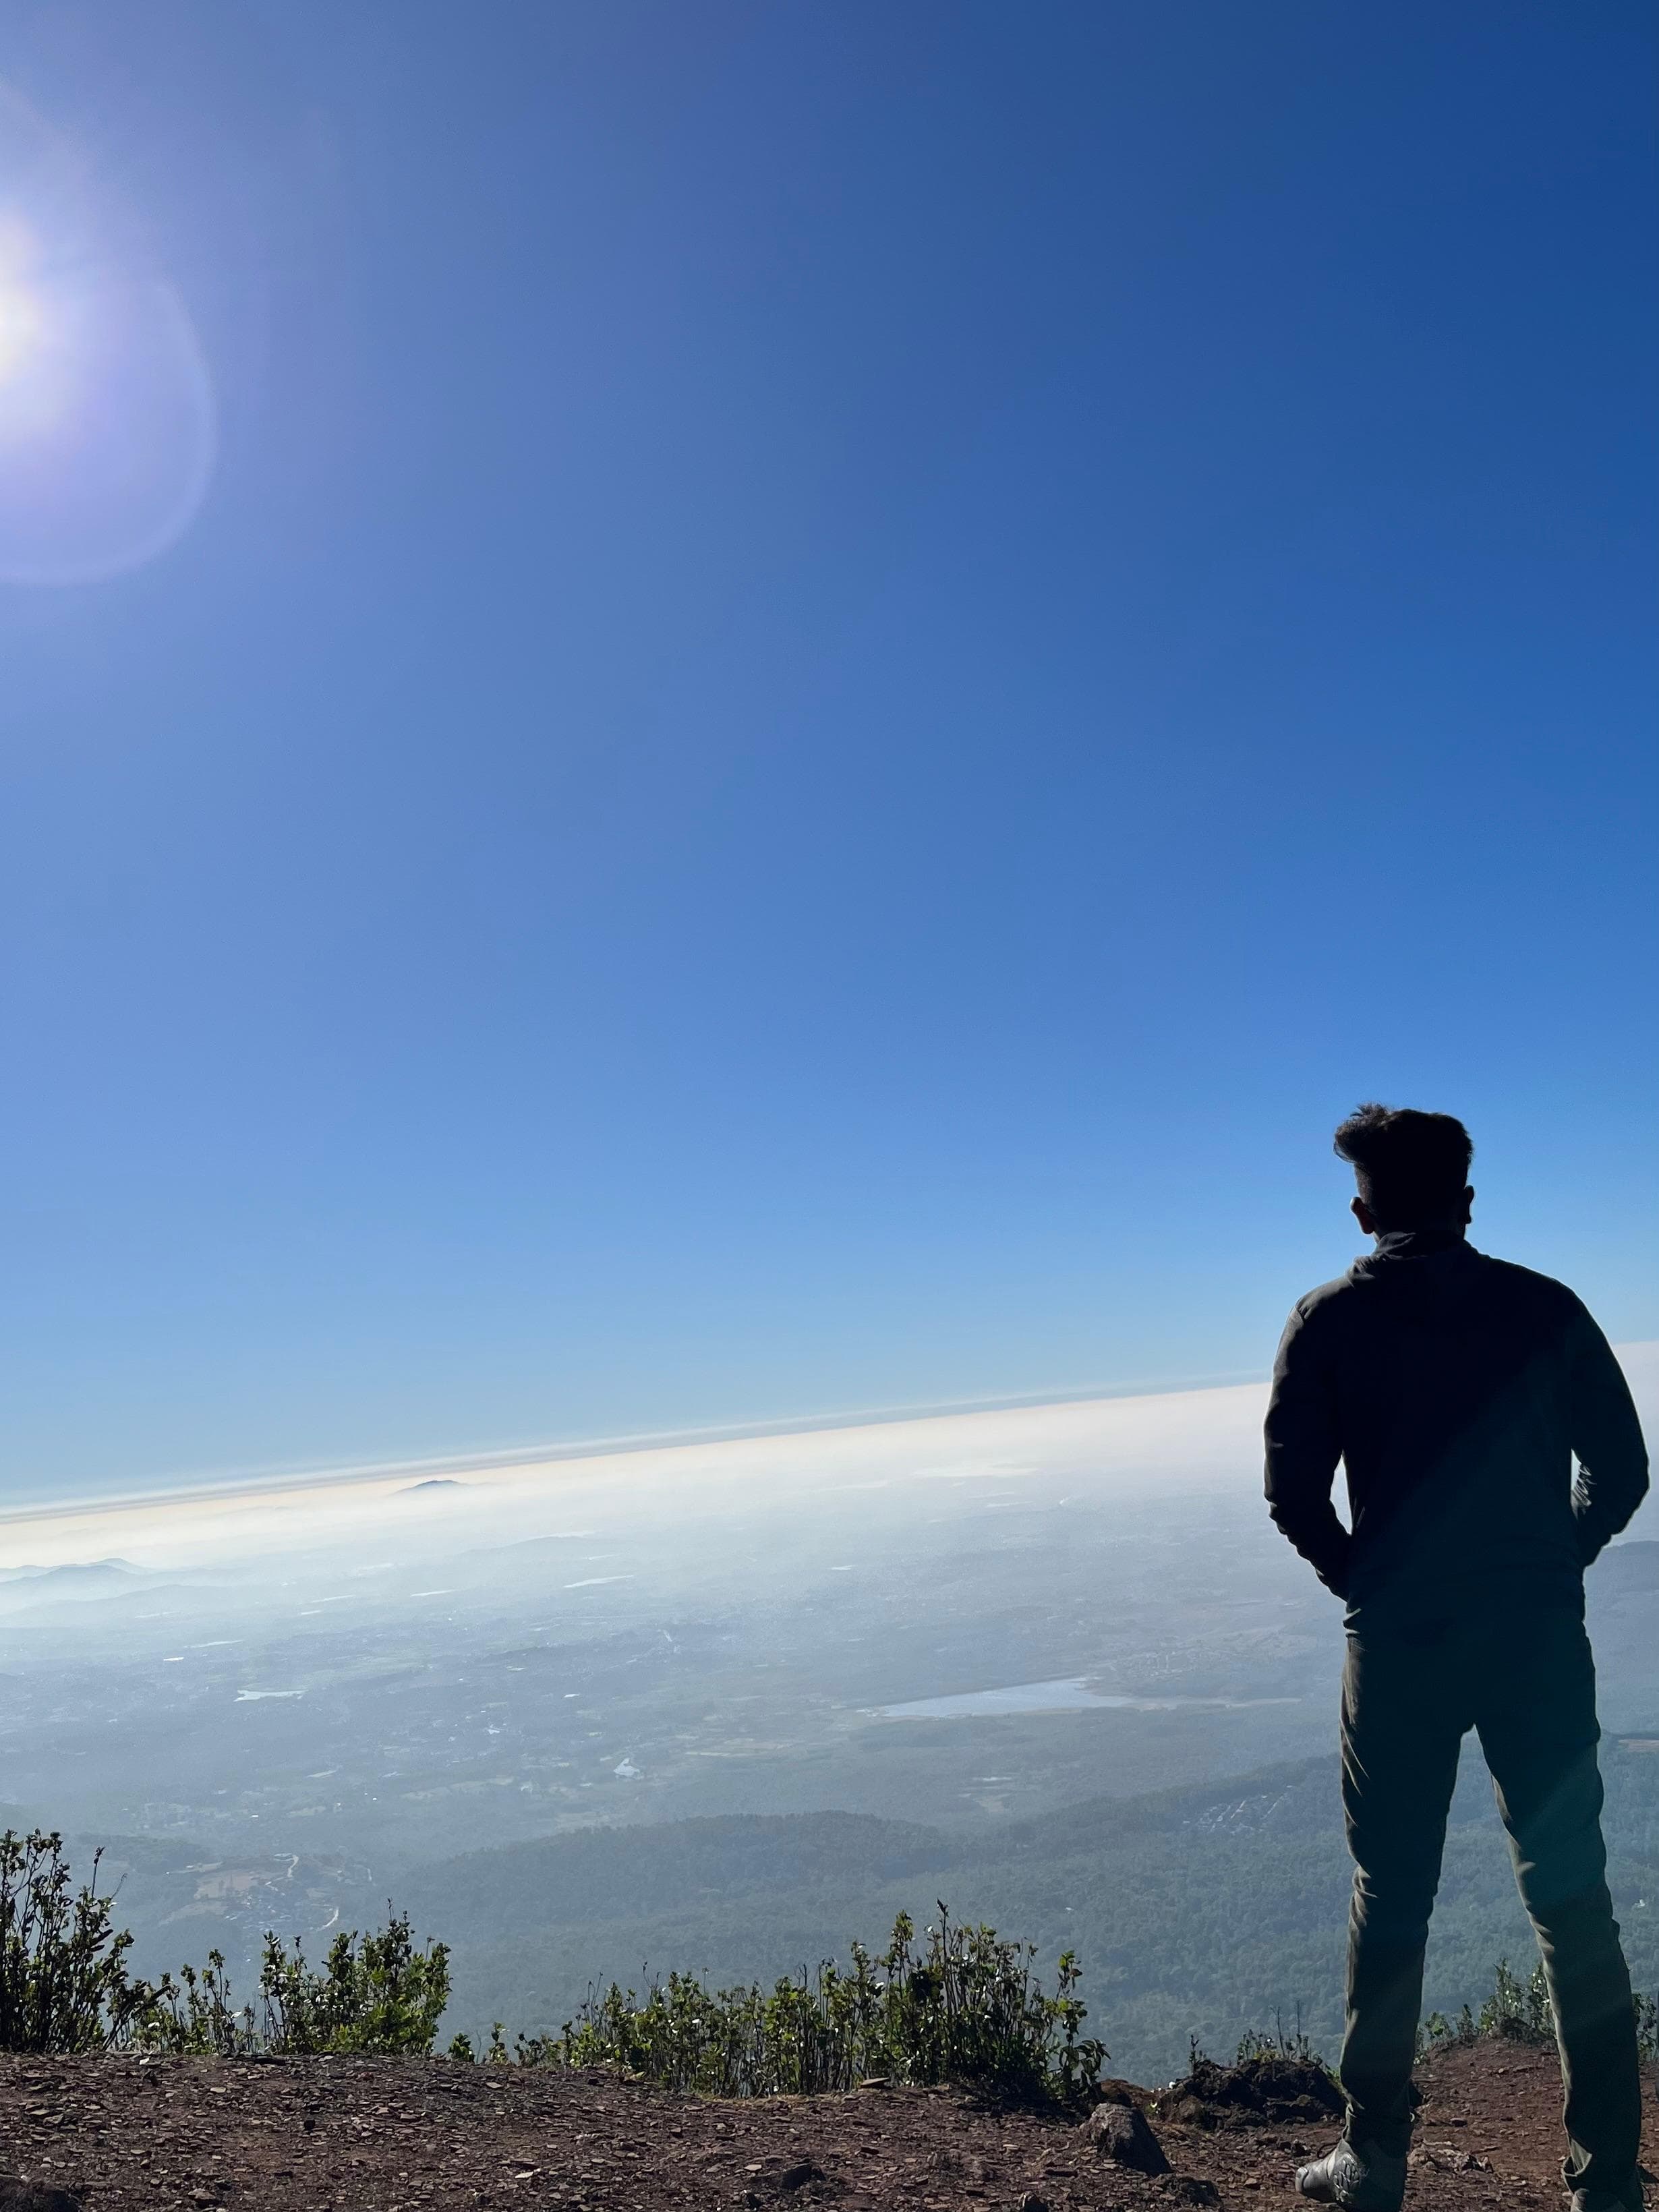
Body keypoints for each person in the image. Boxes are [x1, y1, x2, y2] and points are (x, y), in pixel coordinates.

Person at [1264, 1104, 1650, 2212]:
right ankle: (1608, 2182)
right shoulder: (1544, 1309)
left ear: (1364, 1209)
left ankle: (1375, 2163)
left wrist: (1370, 1582)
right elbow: (1622, 1474)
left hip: (1401, 1650)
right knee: (1575, 1901)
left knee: (1390, 1894)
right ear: (1467, 1202)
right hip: (1536, 1642)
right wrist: (1549, 1562)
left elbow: (1292, 1496)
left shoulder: (1326, 1322)